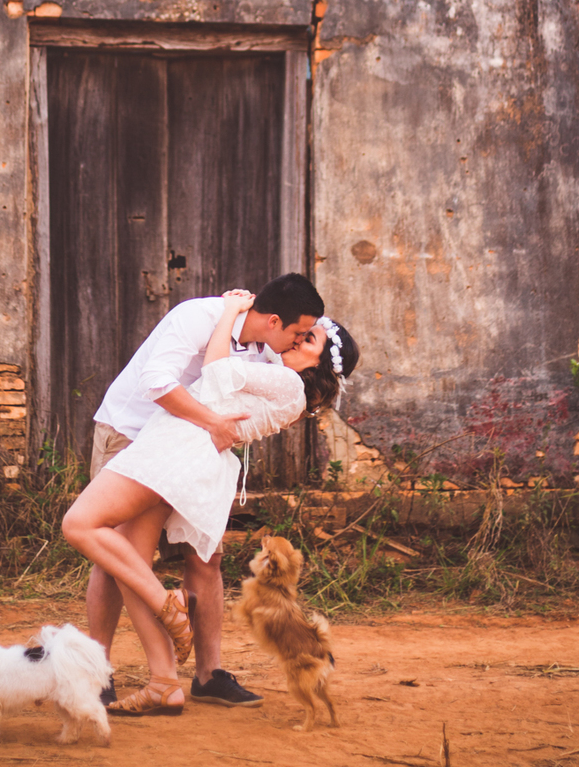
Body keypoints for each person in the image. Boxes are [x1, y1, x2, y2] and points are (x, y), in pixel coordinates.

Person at [63, 286, 359, 717]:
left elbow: (220, 376)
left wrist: (230, 322)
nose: (299, 339)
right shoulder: (203, 319)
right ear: (276, 320)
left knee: (110, 541)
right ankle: (136, 675)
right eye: (301, 331)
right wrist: (227, 318)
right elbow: (159, 382)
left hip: (178, 449)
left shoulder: (279, 366)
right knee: (122, 558)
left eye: (308, 337)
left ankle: (194, 655)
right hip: (138, 430)